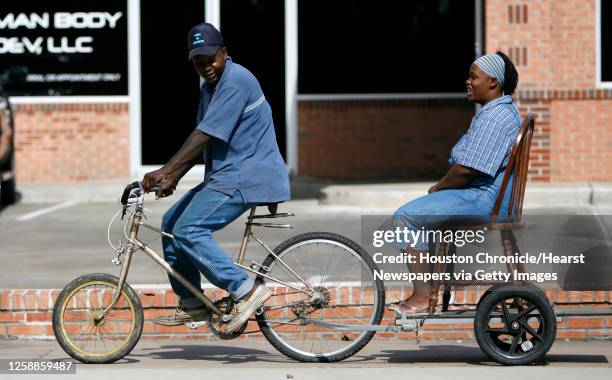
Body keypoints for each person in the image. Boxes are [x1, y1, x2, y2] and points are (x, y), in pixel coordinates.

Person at [142, 22, 290, 332]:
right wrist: (174, 178)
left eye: (211, 58)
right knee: (170, 225)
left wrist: (165, 170)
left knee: (188, 228)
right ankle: (193, 303)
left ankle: (245, 290)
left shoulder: (236, 81)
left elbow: (204, 135)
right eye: (198, 61)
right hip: (226, 175)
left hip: (246, 175)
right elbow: (204, 141)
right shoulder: (211, 89)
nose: (206, 66)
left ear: (224, 52)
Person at [391, 51, 520, 313]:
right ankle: (428, 292)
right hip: (486, 194)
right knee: (422, 213)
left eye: (474, 77)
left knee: (406, 217)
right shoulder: (498, 112)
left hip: (484, 197)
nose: (468, 81)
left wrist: (438, 188)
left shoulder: (495, 118)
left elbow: (467, 170)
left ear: (493, 82)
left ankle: (421, 297)